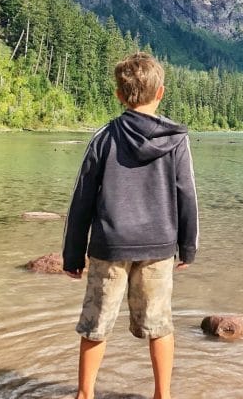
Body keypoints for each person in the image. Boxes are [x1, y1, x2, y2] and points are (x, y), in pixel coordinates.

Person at [62, 51, 199, 399]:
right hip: (158, 247)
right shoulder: (176, 139)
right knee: (159, 324)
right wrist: (189, 246)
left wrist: (72, 255)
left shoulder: (104, 138)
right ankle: (162, 395)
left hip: (110, 246)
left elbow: (81, 201)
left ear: (119, 95)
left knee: (96, 325)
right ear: (161, 93)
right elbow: (187, 195)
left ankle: (85, 394)